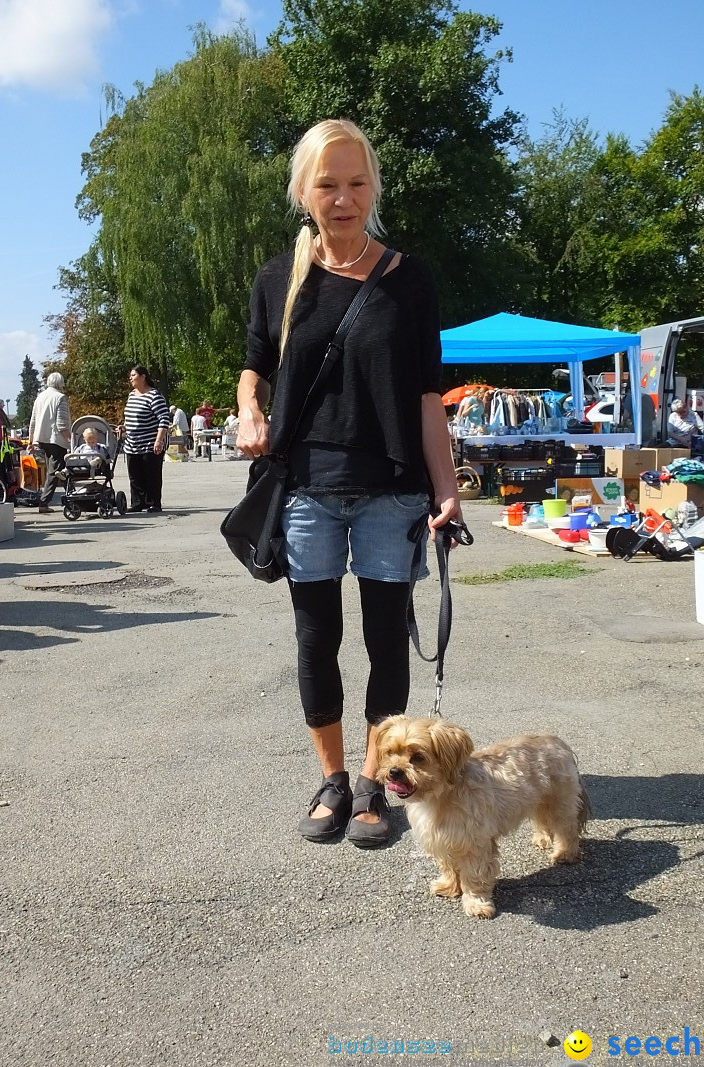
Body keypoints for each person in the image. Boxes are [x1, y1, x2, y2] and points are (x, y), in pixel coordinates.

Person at [237, 118, 461, 848]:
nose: (343, 198)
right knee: (316, 638)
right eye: (327, 184)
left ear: (373, 189)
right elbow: (253, 368)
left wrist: (446, 486)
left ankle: (375, 783)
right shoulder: (278, 278)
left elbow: (429, 395)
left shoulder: (409, 279)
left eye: (357, 183)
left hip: (392, 489)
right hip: (304, 487)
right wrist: (247, 409)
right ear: (304, 191)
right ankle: (332, 780)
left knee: (386, 643)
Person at [120, 366, 170, 512]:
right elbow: (129, 418)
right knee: (134, 475)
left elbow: (164, 419)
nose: (130, 378)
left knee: (151, 475)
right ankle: (137, 503)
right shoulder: (131, 395)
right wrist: (124, 427)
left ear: (143, 377)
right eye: (130, 375)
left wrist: (159, 440)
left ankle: (154, 503)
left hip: (150, 443)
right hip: (132, 443)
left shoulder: (154, 396)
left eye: (133, 375)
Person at [28, 372, 71, 513]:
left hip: (42, 438)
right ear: (60, 383)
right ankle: (44, 502)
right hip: (56, 439)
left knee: (57, 470)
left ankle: (73, 495)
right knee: (56, 471)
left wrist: (31, 440)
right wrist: (70, 440)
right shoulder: (60, 397)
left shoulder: (39, 397)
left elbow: (33, 421)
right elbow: (62, 424)